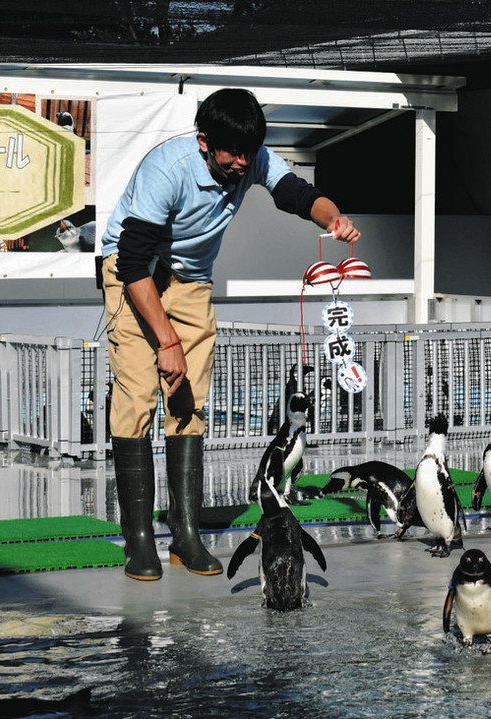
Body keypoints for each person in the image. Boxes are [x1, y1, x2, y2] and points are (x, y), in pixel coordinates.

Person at [100, 88, 360, 581]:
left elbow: (296, 194)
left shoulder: (251, 155)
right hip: (133, 276)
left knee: (189, 402)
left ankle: (185, 534)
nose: (242, 163)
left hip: (191, 279)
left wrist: (334, 218)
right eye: (232, 153)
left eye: (249, 152)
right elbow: (133, 263)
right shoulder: (168, 169)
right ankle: (138, 540)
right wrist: (167, 344)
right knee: (137, 397)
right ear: (204, 142)